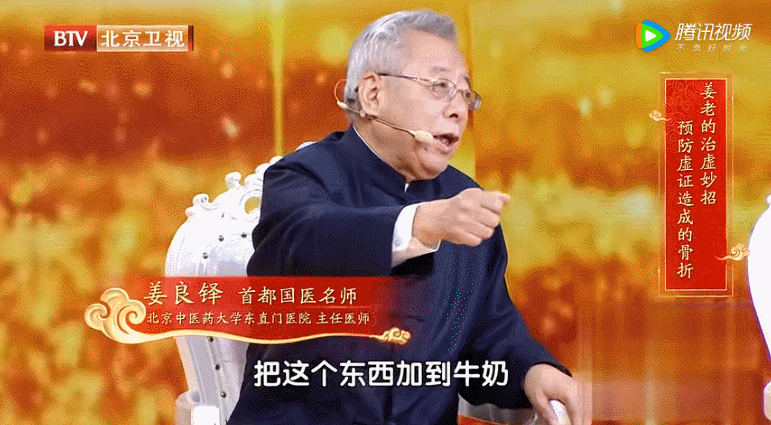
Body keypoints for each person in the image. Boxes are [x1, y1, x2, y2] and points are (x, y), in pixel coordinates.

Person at [228, 9, 588, 425]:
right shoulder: (302, 176)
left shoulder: (462, 200)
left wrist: (533, 370)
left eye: (465, 94)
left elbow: (489, 335)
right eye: (440, 87)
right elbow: (304, 242)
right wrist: (418, 225)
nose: (459, 110)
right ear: (372, 94)